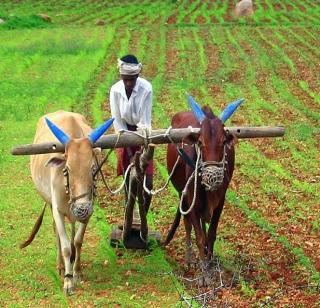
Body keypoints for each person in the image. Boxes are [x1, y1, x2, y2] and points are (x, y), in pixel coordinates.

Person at [109, 54, 153, 212]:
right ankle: (129, 215)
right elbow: (117, 120)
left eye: (132, 79)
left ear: (138, 75)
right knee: (128, 180)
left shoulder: (146, 88)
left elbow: (145, 121)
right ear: (120, 75)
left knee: (147, 183)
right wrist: (126, 146)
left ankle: (143, 218)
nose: (129, 83)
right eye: (125, 79)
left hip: (142, 134)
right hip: (124, 133)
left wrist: (142, 151)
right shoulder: (115, 90)